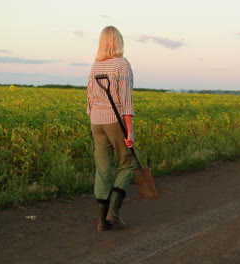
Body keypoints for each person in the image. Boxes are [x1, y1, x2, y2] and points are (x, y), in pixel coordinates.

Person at [86, 26, 135, 231]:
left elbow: (89, 96)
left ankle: (101, 222)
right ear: (118, 41)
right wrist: (129, 130)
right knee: (126, 163)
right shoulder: (122, 64)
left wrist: (94, 116)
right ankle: (113, 213)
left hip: (96, 121)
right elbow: (126, 100)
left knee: (103, 170)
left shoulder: (96, 64)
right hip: (115, 121)